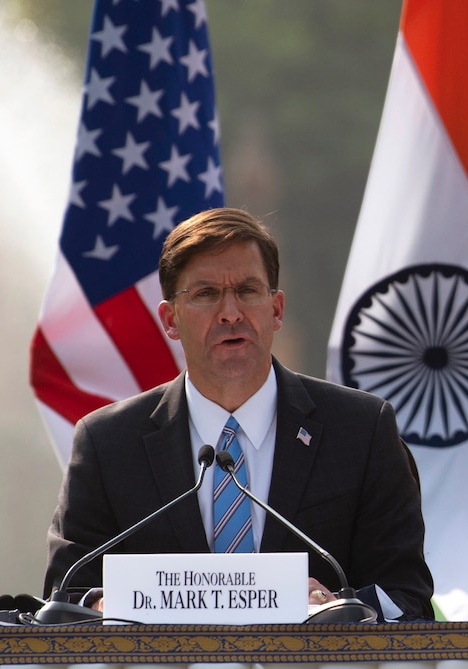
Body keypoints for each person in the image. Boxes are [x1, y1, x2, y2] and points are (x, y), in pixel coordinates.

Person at [46, 207, 433, 620]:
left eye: (248, 291)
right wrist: (104, 604)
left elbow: (406, 598)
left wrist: (339, 606)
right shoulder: (109, 444)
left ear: (276, 309)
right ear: (170, 319)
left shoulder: (361, 430)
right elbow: (66, 595)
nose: (231, 313)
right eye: (206, 294)